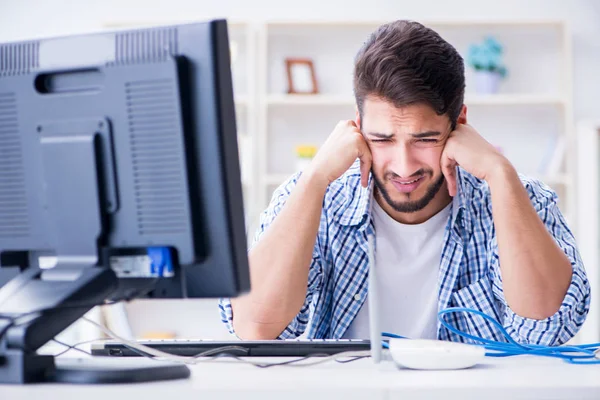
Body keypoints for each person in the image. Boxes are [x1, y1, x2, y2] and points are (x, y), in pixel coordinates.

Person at [219, 20, 590, 345]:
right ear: (358, 125)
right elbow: (255, 328)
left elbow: (546, 328)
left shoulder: (518, 197)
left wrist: (499, 173)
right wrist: (315, 179)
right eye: (382, 139)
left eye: (425, 139)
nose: (403, 166)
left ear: (459, 122)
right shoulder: (316, 196)